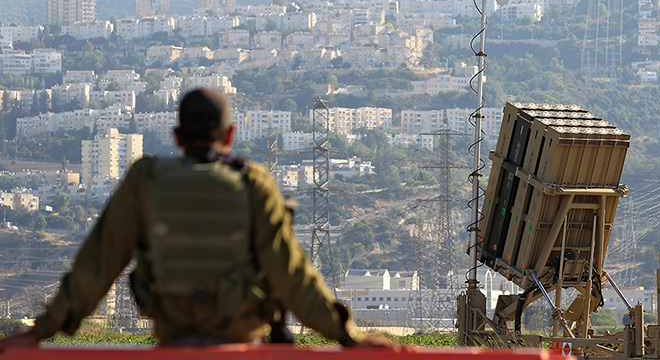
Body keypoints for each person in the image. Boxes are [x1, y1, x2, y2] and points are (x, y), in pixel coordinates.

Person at [0, 88, 391, 349]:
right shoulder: (254, 183)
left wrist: (39, 331)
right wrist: (349, 337)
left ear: (176, 136)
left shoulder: (146, 180)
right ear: (232, 134)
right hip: (241, 345)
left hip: (173, 342)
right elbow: (291, 274)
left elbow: (97, 266)